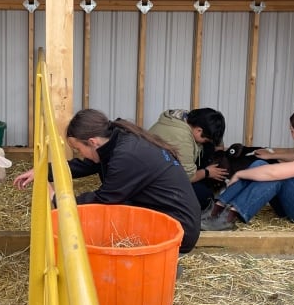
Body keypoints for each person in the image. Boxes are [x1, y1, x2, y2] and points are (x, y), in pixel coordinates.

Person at [13, 108, 200, 254]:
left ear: (93, 142)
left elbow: (105, 200)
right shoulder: (116, 139)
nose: (80, 154)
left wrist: (58, 201)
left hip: (178, 230)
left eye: (78, 149)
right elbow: (86, 165)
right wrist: (43, 171)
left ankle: (163, 263)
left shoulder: (127, 156)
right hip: (166, 216)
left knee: (105, 219)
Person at [201, 107, 294, 231]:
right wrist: (272, 155)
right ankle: (217, 207)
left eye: (292, 131)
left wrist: (240, 173)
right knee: (260, 165)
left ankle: (230, 217)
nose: (291, 133)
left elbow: (274, 172)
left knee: (277, 176)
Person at [148, 108, 228, 211]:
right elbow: (188, 176)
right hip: (156, 183)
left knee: (208, 148)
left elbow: (213, 141)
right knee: (204, 197)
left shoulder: (183, 118)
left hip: (165, 167)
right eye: (206, 139)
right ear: (199, 130)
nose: (205, 141)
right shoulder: (182, 138)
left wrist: (219, 149)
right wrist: (207, 172)